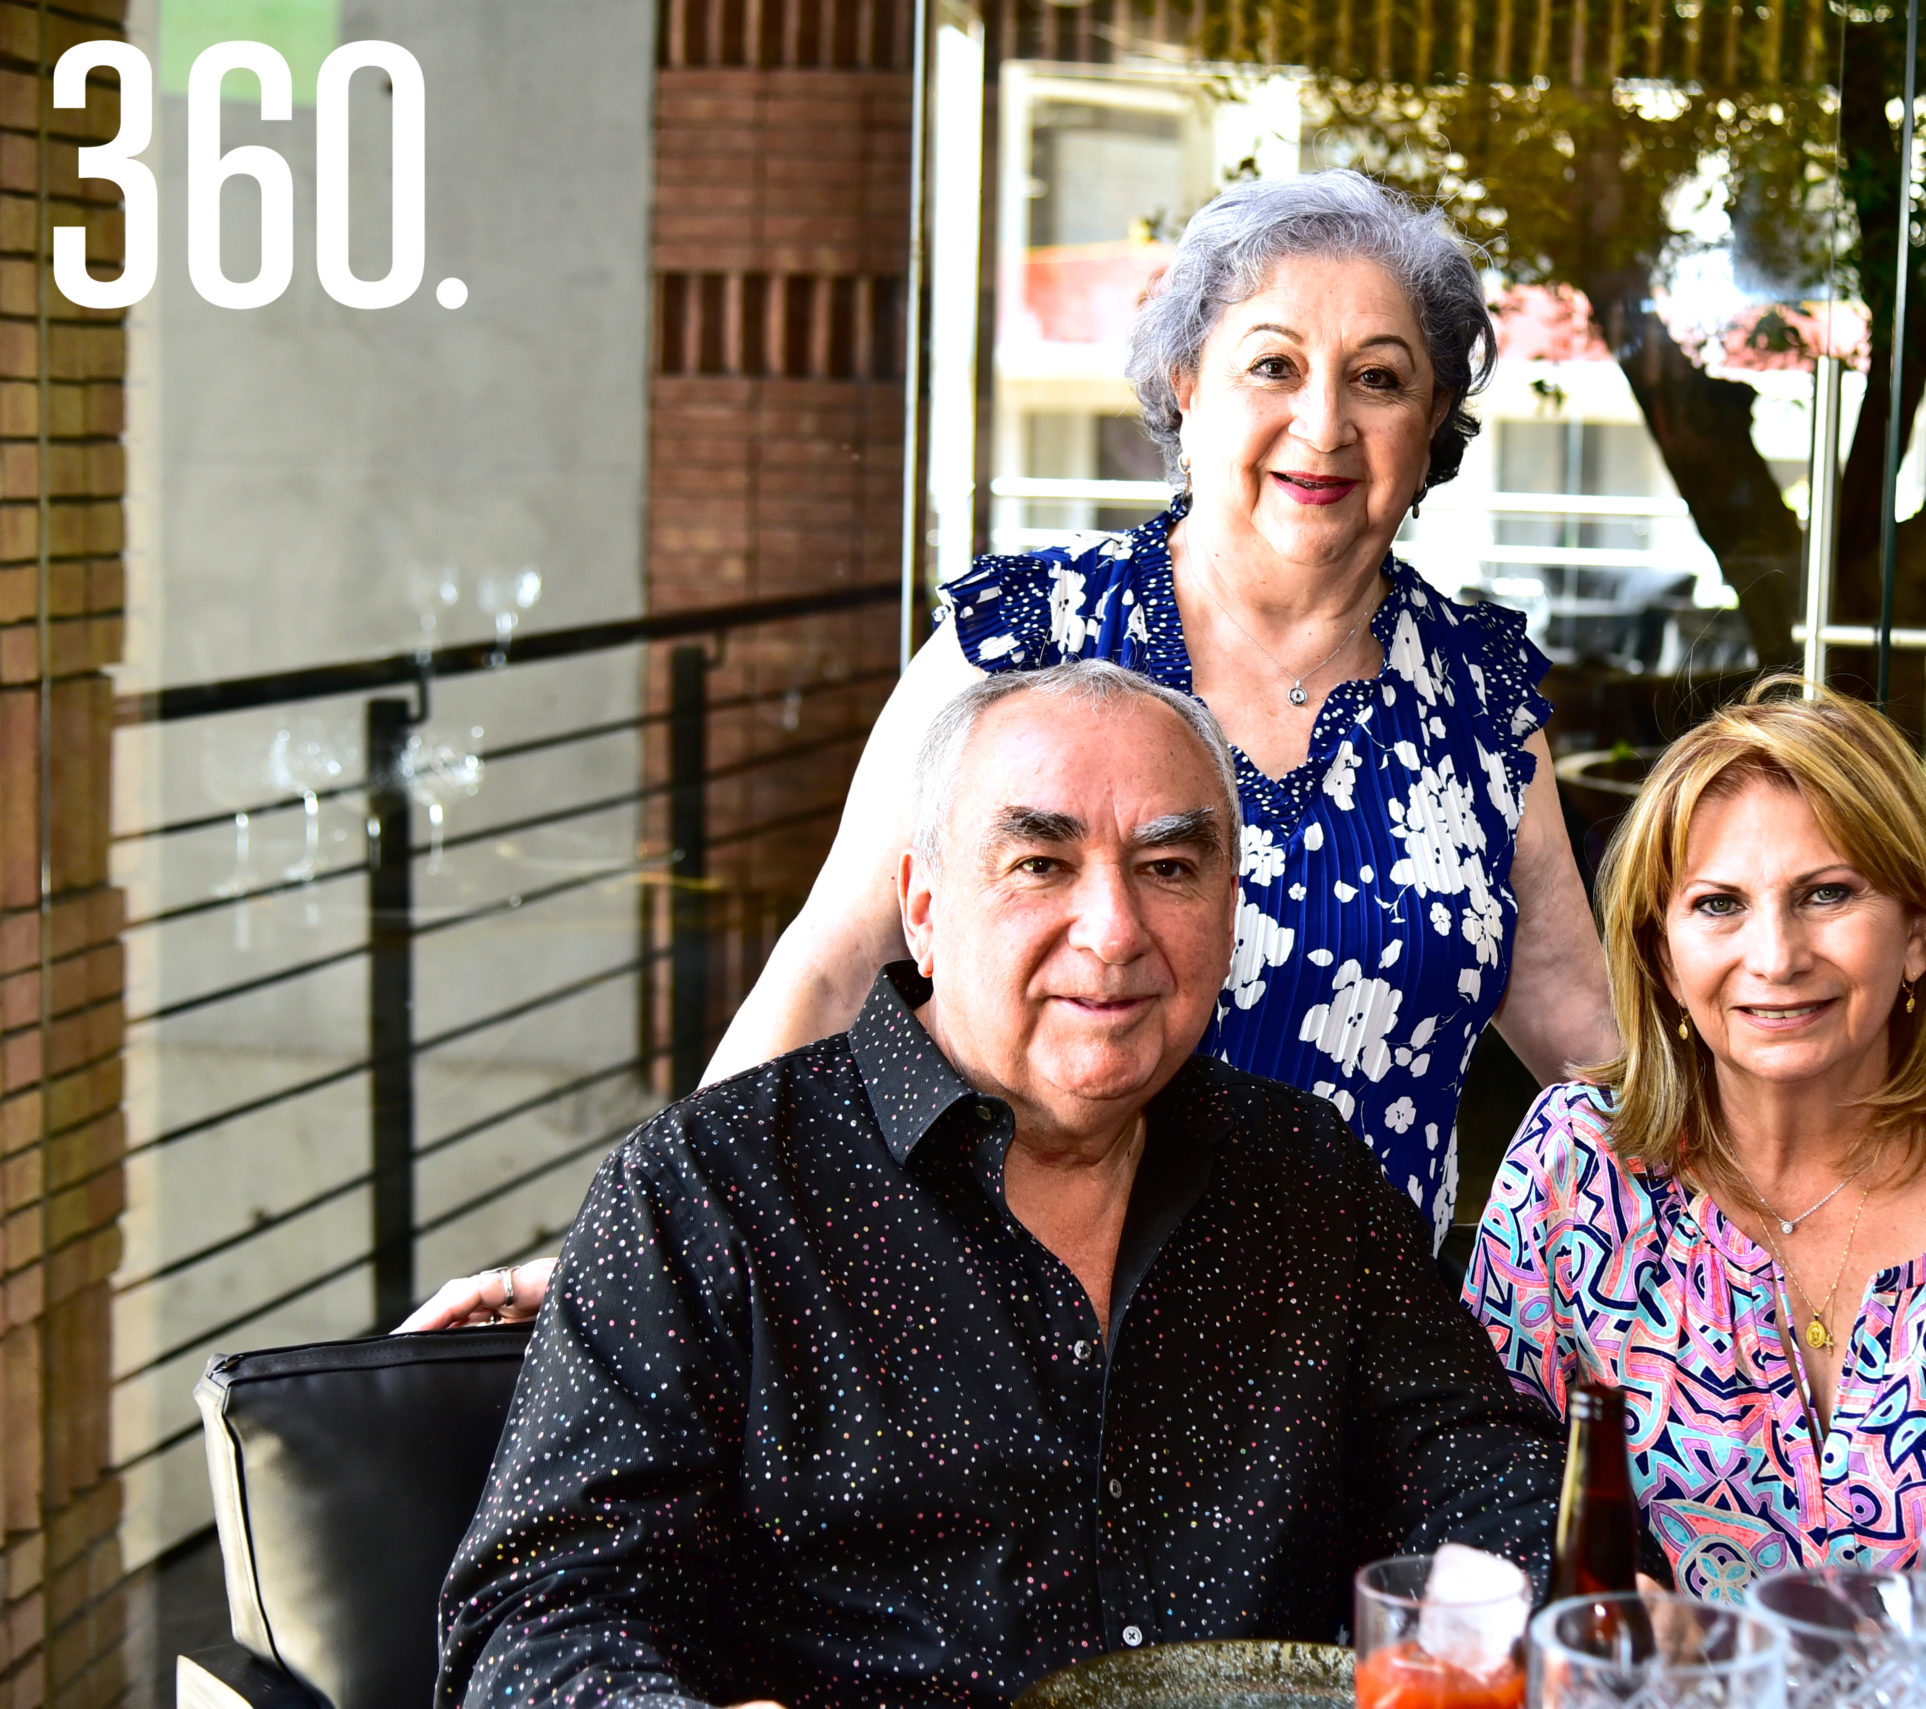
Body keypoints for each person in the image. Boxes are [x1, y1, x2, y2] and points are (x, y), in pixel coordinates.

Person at [403, 167, 1612, 1332]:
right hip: (1007, 1359)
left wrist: (1790, 1200)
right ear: (1186, 384)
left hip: (1345, 1380)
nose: (1324, 423)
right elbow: (830, 966)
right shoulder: (1023, 643)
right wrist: (626, 1257)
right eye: (1274, 366)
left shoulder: (1480, 700)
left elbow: (1594, 1047)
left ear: (1434, 421)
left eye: (1379, 378)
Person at [437, 662, 1564, 1709]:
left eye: (1169, 867)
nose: (1115, 929)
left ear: (1231, 907)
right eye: (1041, 862)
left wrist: (1545, 1606)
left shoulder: (1301, 1171)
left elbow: (1476, 1462)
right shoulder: (707, 1190)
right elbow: (538, 1621)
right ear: (922, 906)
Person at [1462, 677, 1926, 1599]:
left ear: (1920, 932)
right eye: (1718, 904)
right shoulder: (1574, 1167)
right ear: (1660, 955)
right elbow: (1478, 1512)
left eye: (1827, 893)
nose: (1774, 956)